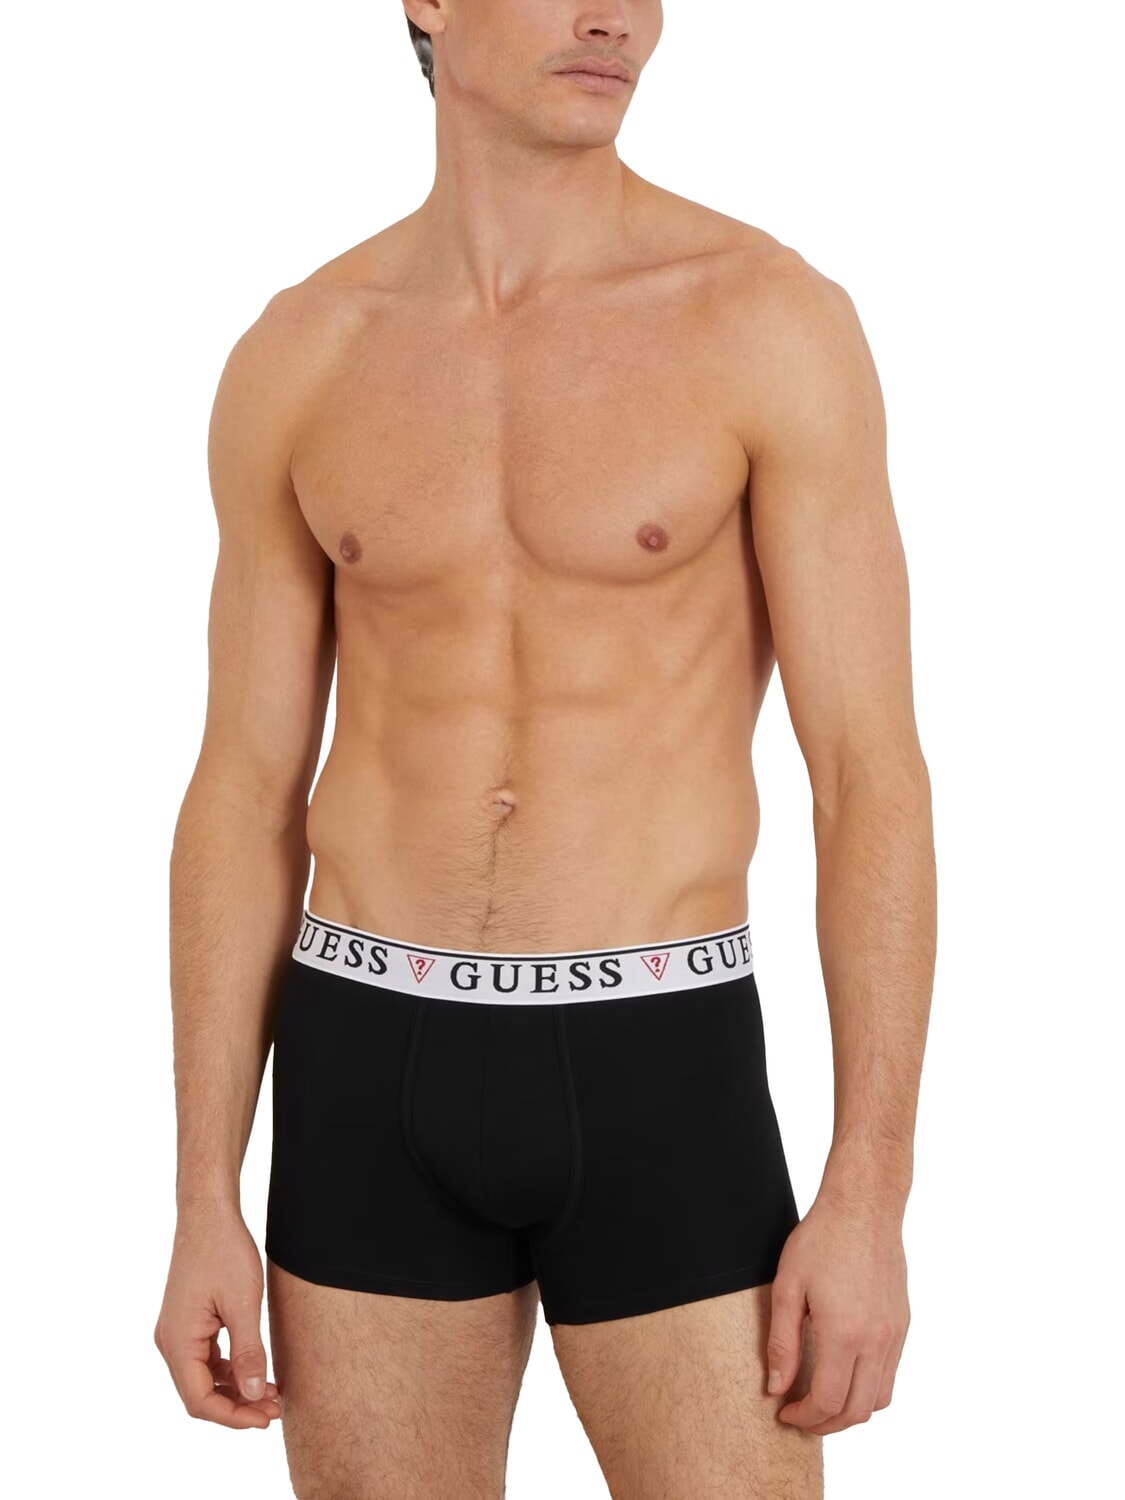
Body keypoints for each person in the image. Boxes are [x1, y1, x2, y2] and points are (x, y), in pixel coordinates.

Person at [153, 2, 936, 1496]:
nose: (614, 16)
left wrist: (869, 1192)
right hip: (364, 1052)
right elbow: (242, 791)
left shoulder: (764, 321)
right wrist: (203, 1193)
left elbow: (868, 779)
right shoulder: (302, 350)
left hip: (661, 1056)